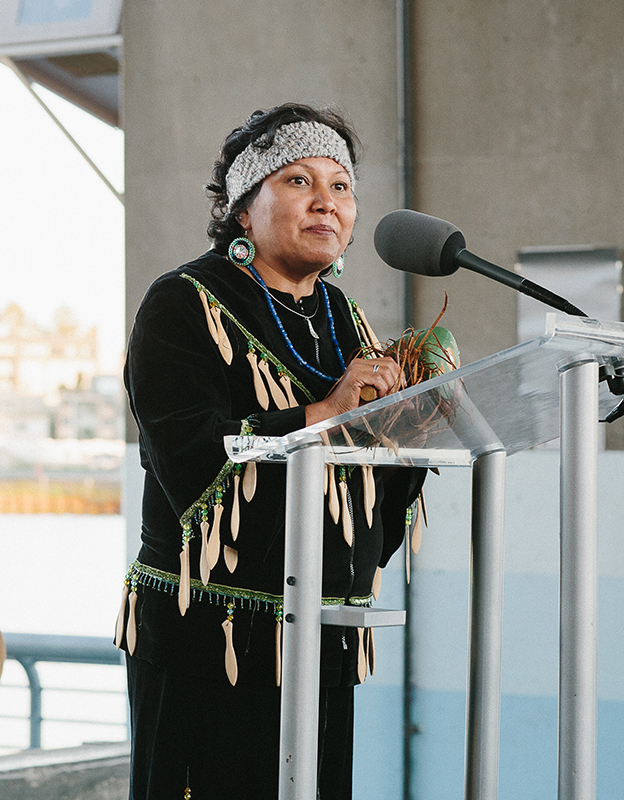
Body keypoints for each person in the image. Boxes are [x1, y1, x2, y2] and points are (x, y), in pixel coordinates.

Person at [119, 104, 425, 799]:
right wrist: (324, 414)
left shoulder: (346, 318)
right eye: (298, 180)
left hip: (321, 637)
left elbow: (366, 505)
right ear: (242, 208)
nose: (326, 201)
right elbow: (188, 458)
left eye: (341, 186)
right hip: (209, 642)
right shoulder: (183, 302)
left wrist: (411, 427)